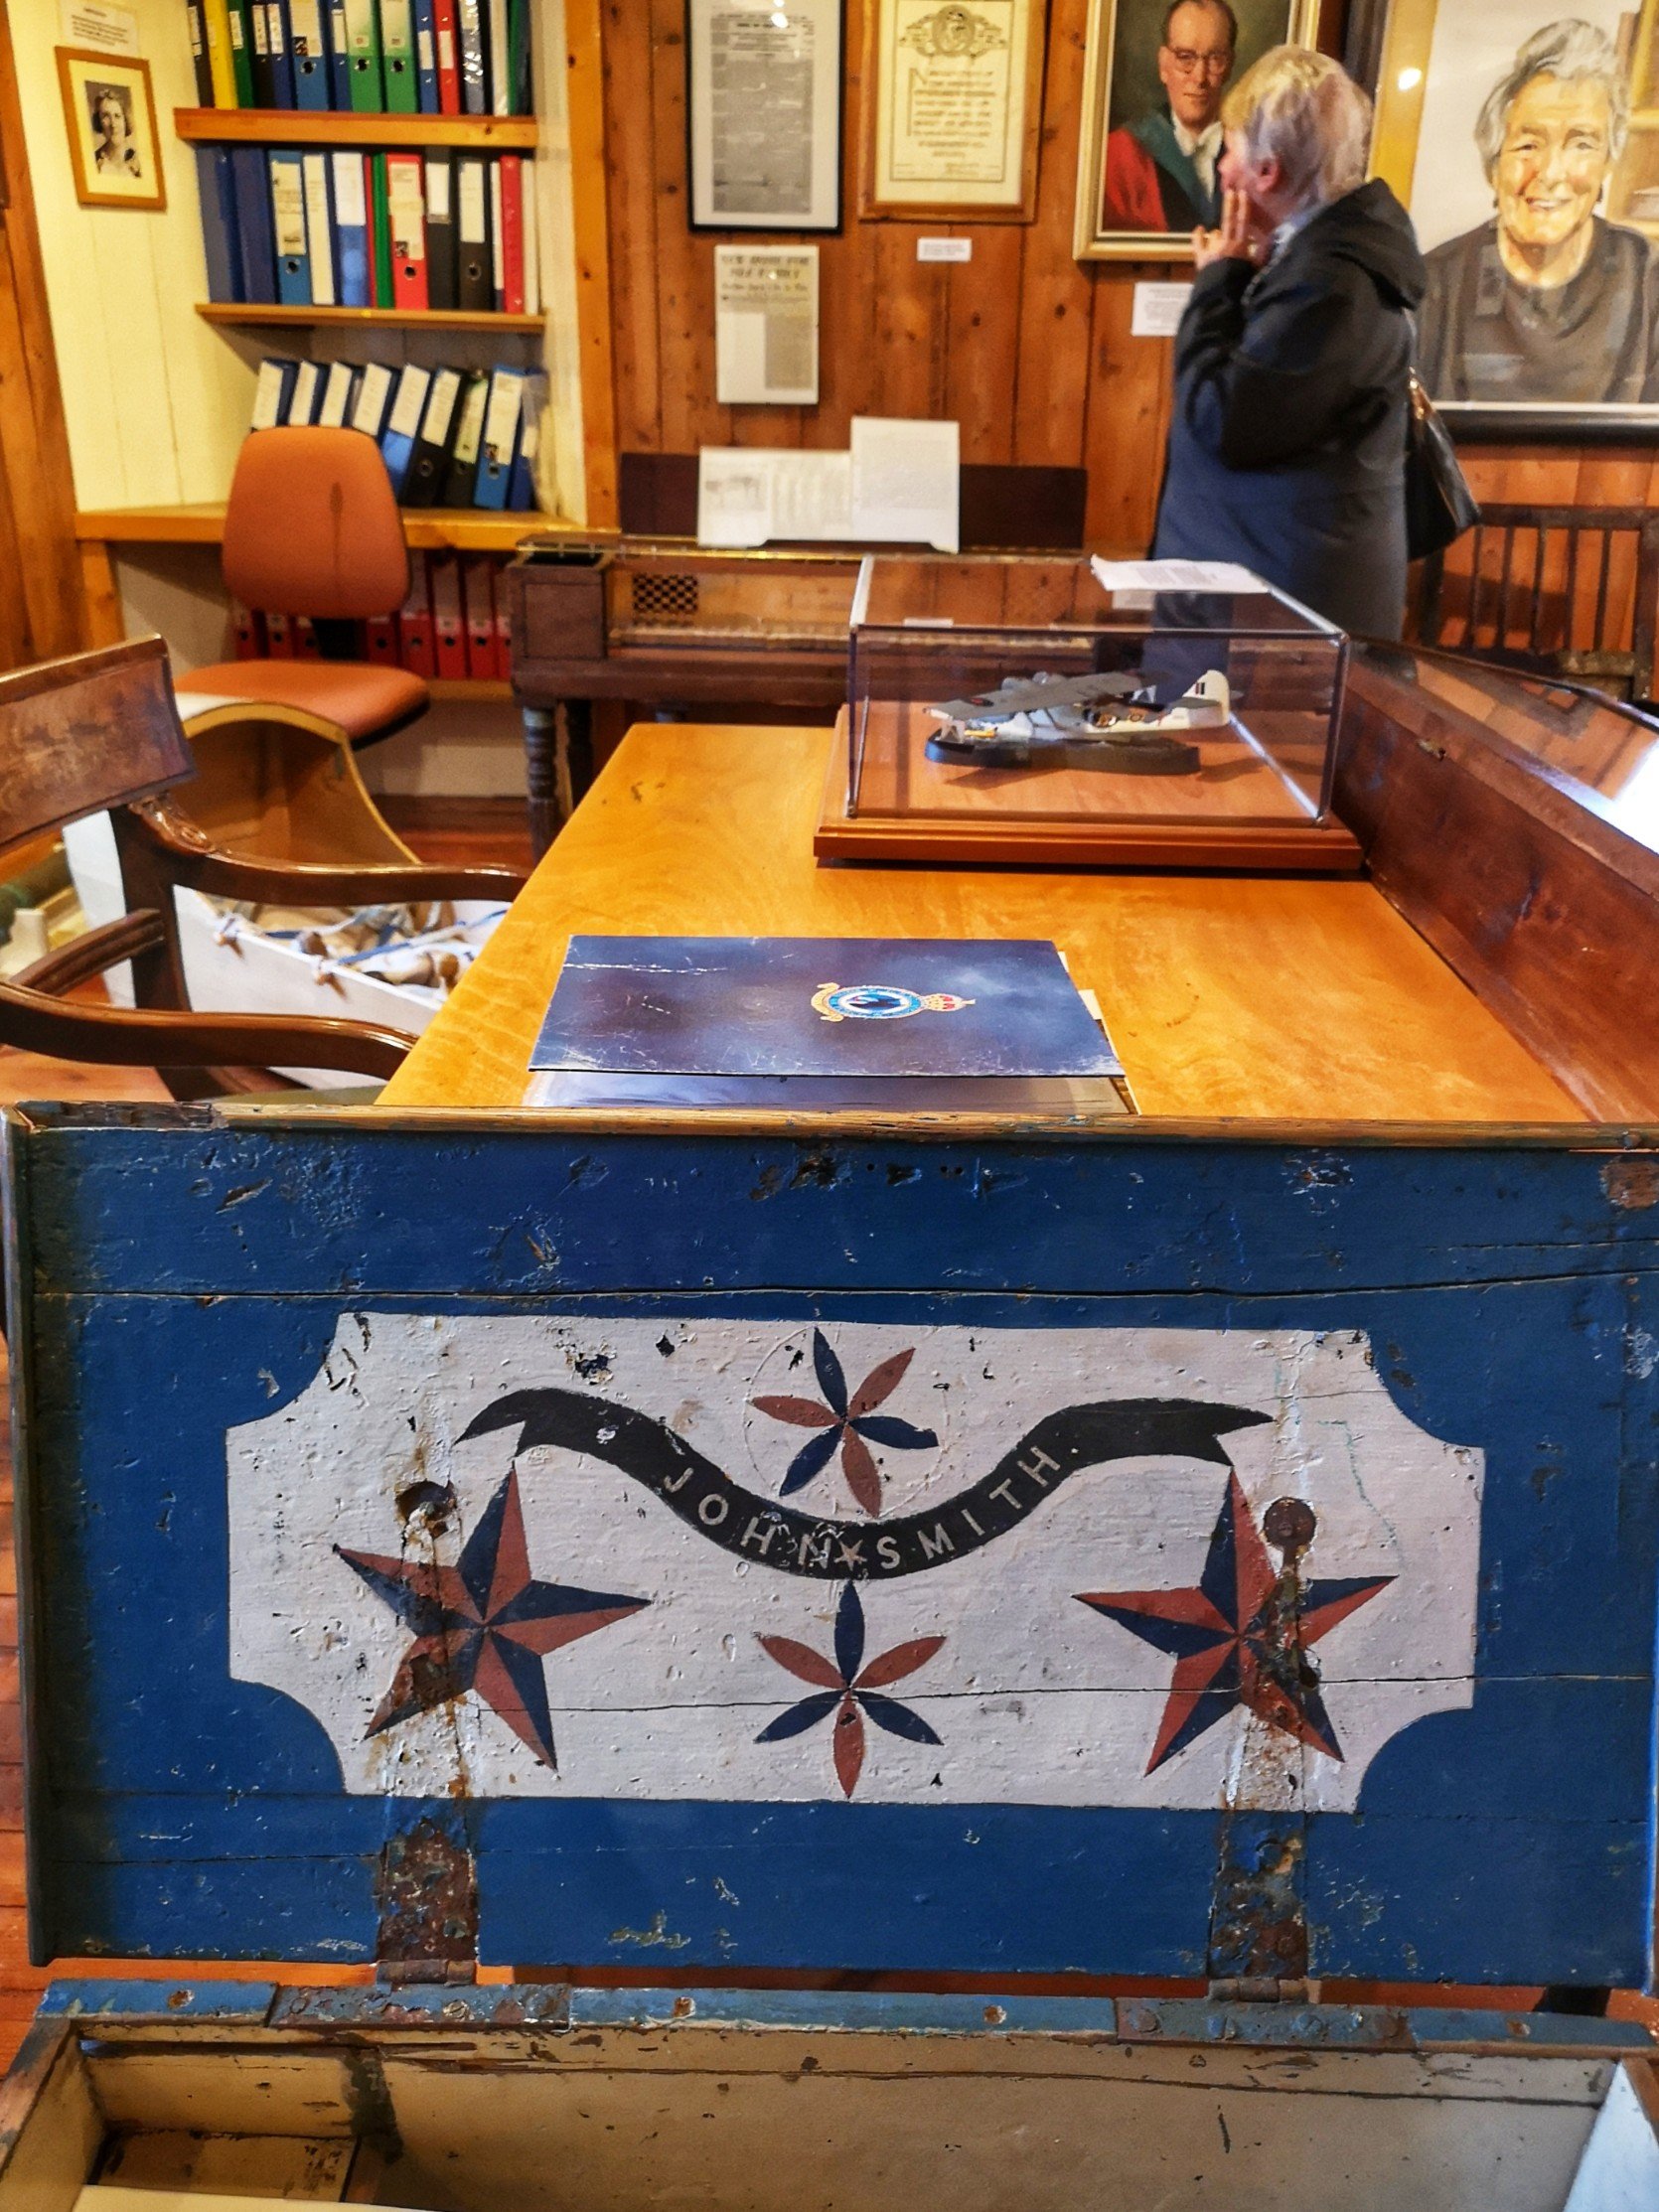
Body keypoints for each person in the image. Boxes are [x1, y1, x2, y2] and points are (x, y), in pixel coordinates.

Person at [1151, 46, 1425, 639]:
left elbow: (1224, 422)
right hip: (1264, 597)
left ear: (1267, 173)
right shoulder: (1325, 262)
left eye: (1230, 150)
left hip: (1276, 623)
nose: (1224, 168)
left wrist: (1218, 282)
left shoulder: (1331, 284)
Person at [1417, 19, 1659, 404]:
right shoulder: (1433, 287)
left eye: (1581, 144)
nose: (1550, 173)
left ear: (1607, 163)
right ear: (1494, 163)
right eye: (1528, 145)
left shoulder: (1649, 281)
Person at [1102, 0, 1237, 234]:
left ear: (1230, 65)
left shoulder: (1254, 152)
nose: (1200, 77)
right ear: (1164, 65)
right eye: (1185, 57)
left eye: (1215, 58)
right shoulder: (1120, 154)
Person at [89, 87, 141, 180]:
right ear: (99, 122)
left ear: (125, 121)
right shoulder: (93, 161)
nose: (113, 124)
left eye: (117, 116)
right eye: (106, 116)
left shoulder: (138, 161)